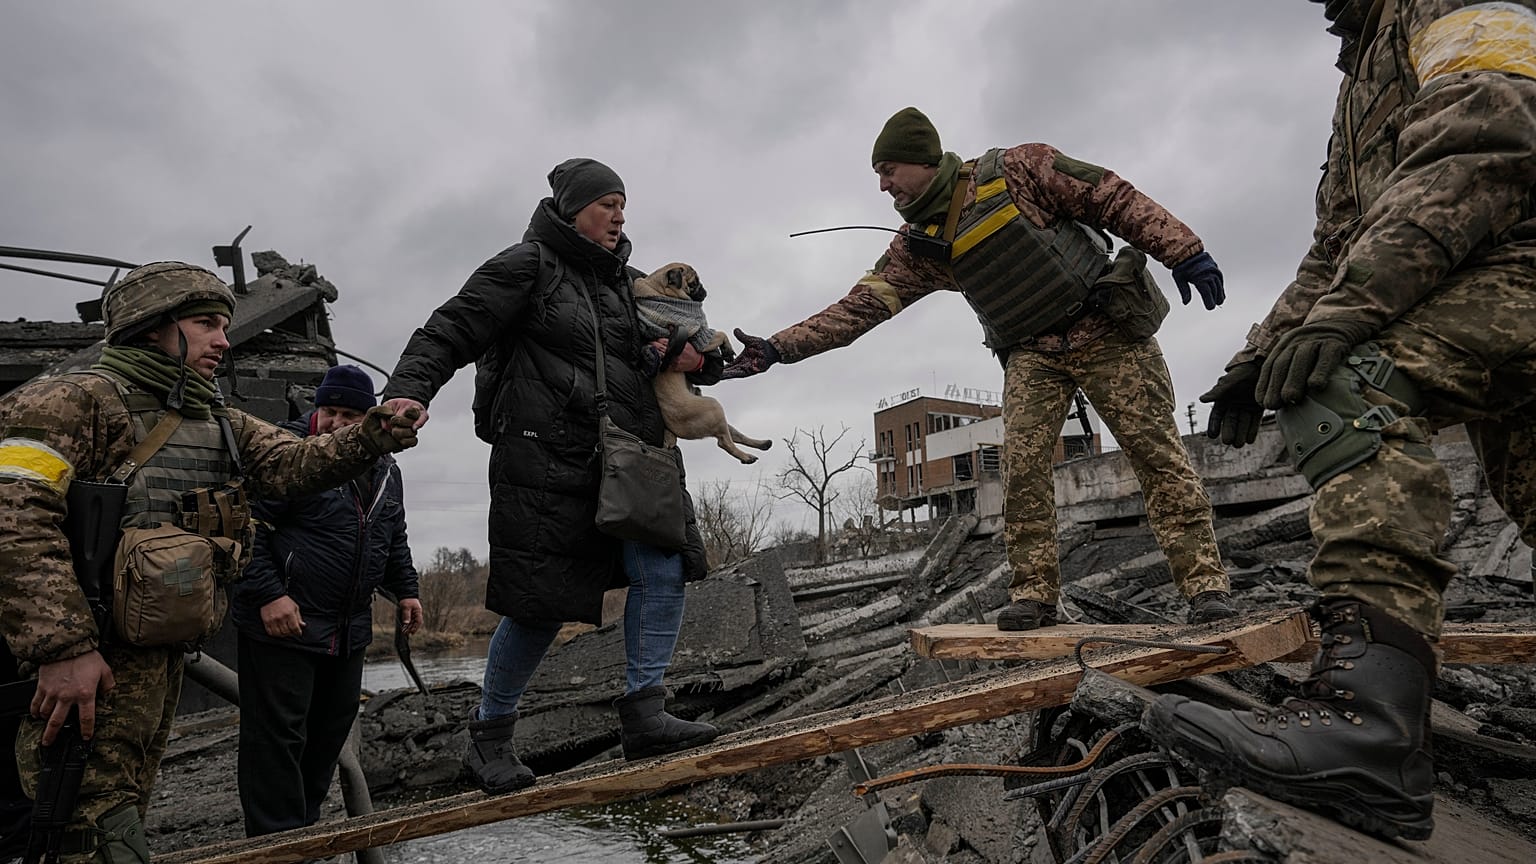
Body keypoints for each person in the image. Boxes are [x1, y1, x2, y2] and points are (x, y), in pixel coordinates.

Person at [1145, 0, 1536, 842]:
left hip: (1517, 262)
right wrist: (1261, 354)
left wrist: (1341, 321)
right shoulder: (1364, 69)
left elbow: (1492, 129)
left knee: (1345, 385)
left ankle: (1370, 734)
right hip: (1485, 284)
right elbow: (1338, 242)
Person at [722, 107, 1239, 631]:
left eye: (888, 169)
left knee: (1158, 457)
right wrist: (776, 349)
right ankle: (1035, 595)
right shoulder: (917, 246)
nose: (882, 185)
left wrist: (1183, 249)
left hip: (1106, 332)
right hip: (1033, 355)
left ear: (923, 160)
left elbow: (1110, 195)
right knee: (1021, 469)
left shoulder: (1018, 169)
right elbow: (856, 310)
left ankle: (1205, 589)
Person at [0, 262, 418, 863]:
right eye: (205, 324)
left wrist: (375, 433)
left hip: (155, 659)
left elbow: (294, 464)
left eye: (225, 324)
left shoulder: (214, 419)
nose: (224, 340)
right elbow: (14, 518)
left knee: (119, 812)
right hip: (82, 665)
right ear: (152, 328)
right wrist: (62, 648)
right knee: (78, 827)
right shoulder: (68, 402)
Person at [380, 157, 720, 794]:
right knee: (540, 604)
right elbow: (450, 328)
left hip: (636, 454)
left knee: (663, 566)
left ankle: (646, 713)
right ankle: (490, 737)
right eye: (606, 204)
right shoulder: (526, 265)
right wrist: (407, 391)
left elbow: (667, 353)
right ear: (571, 209)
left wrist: (716, 359)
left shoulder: (634, 285)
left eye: (623, 205)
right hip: (547, 460)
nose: (619, 216)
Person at [230, 363, 424, 837]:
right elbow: (243, 528)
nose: (338, 423)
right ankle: (276, 842)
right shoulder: (284, 454)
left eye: (350, 415)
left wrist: (406, 590)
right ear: (317, 409)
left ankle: (305, 832)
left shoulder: (385, 468)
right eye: (330, 411)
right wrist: (270, 595)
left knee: (327, 736)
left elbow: (391, 533)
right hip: (283, 623)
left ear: (369, 418)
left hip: (347, 627)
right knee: (277, 740)